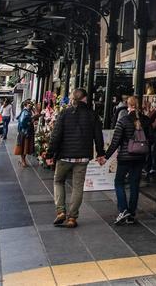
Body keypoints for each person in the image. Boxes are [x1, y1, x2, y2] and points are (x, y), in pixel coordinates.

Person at [45, 89, 105, 228]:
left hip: (65, 156)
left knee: (58, 181)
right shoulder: (92, 114)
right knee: (78, 187)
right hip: (83, 157)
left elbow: (56, 136)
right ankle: (72, 217)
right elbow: (98, 136)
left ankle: (60, 211)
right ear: (85, 98)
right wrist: (101, 154)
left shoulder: (65, 113)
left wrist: (49, 154)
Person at [103, 96, 153, 225]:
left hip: (125, 157)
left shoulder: (123, 121)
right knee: (134, 184)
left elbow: (115, 141)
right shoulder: (146, 121)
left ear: (128, 106)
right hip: (140, 157)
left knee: (119, 182)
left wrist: (105, 156)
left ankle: (123, 209)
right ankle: (131, 214)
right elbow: (151, 139)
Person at [145, 96, 156, 177]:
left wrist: (148, 125)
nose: (154, 102)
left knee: (154, 150)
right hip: (151, 133)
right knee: (149, 151)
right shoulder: (154, 110)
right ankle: (148, 167)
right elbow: (148, 117)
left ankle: (154, 167)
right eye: (153, 101)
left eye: (155, 101)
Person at [15, 100, 37, 167]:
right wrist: (31, 121)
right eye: (29, 104)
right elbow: (22, 122)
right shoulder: (25, 112)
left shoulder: (28, 111)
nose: (31, 106)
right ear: (25, 105)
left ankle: (23, 160)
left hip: (26, 131)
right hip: (25, 131)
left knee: (25, 146)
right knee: (24, 146)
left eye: (31, 104)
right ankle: (23, 161)